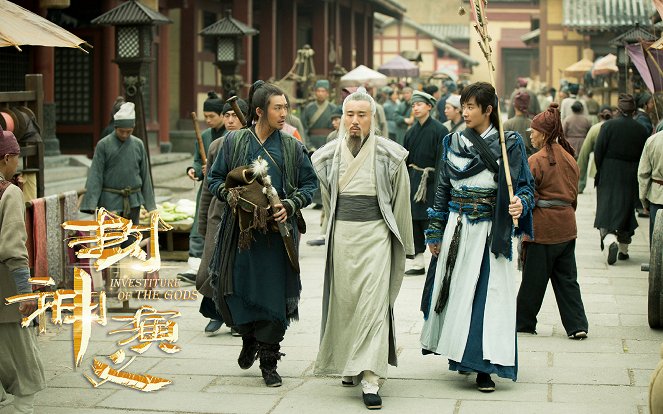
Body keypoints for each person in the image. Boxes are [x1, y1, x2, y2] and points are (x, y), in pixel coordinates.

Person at [420, 82, 535, 393]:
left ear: (489, 110)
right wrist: (434, 229)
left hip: (490, 232)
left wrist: (520, 202)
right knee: (457, 294)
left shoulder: (510, 143)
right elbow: (442, 188)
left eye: (472, 107)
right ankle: (460, 355)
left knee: (488, 297)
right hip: (457, 227)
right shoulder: (451, 141)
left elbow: (525, 187)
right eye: (464, 106)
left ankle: (483, 366)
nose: (465, 112)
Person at [207, 81, 318, 387]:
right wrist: (229, 196)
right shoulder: (233, 143)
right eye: (277, 108)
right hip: (241, 233)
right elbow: (214, 178)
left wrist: (291, 204)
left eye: (286, 107)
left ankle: (269, 360)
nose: (284, 113)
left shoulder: (292, 146)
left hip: (276, 236)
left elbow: (311, 185)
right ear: (259, 111)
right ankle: (249, 337)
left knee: (273, 295)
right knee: (239, 290)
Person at [313, 87, 414, 410]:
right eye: (350, 115)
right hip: (343, 236)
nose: (355, 121)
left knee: (373, 305)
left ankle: (371, 377)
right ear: (342, 118)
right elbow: (328, 202)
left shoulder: (390, 154)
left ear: (374, 118)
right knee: (345, 304)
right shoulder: (328, 154)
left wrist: (405, 245)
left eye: (362, 115)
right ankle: (350, 364)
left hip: (376, 236)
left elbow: (400, 205)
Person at [516, 103, 589, 339]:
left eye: (534, 131)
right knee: (567, 279)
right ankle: (577, 325)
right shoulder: (569, 157)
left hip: (544, 229)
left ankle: (523, 323)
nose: (531, 135)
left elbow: (528, 195)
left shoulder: (536, 160)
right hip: (566, 226)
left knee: (532, 281)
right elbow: (573, 196)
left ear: (544, 133)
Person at [0, 126, 46, 414]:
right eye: (16, 157)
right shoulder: (10, 193)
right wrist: (25, 294)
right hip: (5, 292)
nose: (19, 163)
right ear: (5, 159)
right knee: (25, 364)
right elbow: (13, 249)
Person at [196, 98, 248, 337]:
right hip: (218, 213)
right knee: (210, 266)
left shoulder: (253, 145)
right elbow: (207, 189)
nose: (229, 120)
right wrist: (203, 223)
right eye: (226, 116)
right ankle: (215, 313)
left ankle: (238, 319)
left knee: (238, 269)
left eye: (234, 116)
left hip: (244, 217)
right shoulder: (216, 146)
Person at [179, 91, 229, 281]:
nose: (207, 120)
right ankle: (195, 267)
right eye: (205, 116)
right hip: (206, 189)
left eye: (211, 117)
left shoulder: (229, 135)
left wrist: (214, 167)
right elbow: (197, 160)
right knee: (200, 223)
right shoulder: (205, 135)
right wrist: (195, 169)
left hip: (222, 189)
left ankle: (214, 267)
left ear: (222, 117)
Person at [594, 94, 649, 264]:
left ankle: (610, 240)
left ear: (618, 110)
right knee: (626, 209)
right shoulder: (641, 130)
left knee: (607, 207)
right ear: (633, 111)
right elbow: (643, 155)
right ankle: (624, 249)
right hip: (631, 173)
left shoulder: (608, 126)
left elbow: (598, 151)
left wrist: (600, 168)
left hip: (609, 171)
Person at [81, 102, 156, 225]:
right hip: (109, 201)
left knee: (131, 240)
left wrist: (151, 206)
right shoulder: (103, 145)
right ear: (115, 127)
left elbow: (145, 176)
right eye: (121, 131)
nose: (125, 135)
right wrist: (90, 203)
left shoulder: (138, 145)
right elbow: (96, 175)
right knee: (111, 239)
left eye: (129, 131)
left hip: (133, 201)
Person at [403, 90, 448, 275]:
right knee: (413, 219)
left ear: (429, 106)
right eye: (413, 105)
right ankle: (418, 262)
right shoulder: (410, 132)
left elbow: (442, 160)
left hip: (432, 181)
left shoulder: (440, 130)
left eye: (419, 104)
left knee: (432, 219)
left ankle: (441, 258)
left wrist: (439, 184)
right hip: (414, 180)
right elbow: (404, 159)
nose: (416, 107)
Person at [306, 107, 344, 248]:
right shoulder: (332, 136)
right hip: (332, 173)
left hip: (346, 174)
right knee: (328, 203)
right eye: (332, 120)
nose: (334, 122)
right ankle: (324, 232)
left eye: (337, 119)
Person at [577, 105, 612, 193]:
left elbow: (584, 153)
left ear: (599, 116)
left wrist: (580, 183)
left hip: (598, 165)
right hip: (616, 166)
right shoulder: (618, 128)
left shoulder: (595, 128)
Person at [638, 129, 663, 247]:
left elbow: (643, 173)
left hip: (657, 196)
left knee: (656, 237)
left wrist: (643, 200)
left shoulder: (653, 140)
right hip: (657, 194)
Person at [301, 79, 337, 151]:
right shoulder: (308, 108)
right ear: (315, 93)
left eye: (323, 91)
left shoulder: (333, 108)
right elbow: (303, 129)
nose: (320, 93)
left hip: (329, 143)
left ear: (327, 93)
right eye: (318, 91)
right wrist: (309, 146)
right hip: (312, 143)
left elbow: (337, 129)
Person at [503, 91, 534, 156]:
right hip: (529, 161)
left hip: (512, 161)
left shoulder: (507, 124)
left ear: (514, 106)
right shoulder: (533, 124)